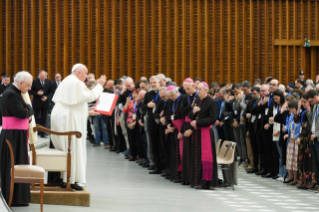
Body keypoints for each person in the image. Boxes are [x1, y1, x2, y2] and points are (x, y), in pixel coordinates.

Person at [50, 63, 106, 191]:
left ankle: (67, 178)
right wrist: (100, 85)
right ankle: (70, 179)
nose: (86, 76)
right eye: (86, 73)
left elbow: (72, 104)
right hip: (68, 120)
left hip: (65, 117)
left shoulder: (68, 80)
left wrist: (86, 111)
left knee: (68, 149)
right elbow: (90, 96)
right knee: (72, 148)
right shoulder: (76, 82)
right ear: (79, 72)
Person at [0, 71, 34, 206]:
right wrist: (29, 105)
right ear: (21, 83)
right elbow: (22, 113)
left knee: (19, 165)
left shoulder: (14, 92)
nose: (30, 88)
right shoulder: (11, 94)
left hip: (16, 134)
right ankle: (12, 197)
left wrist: (27, 111)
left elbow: (25, 114)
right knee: (12, 165)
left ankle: (19, 197)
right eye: (29, 85)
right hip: (12, 136)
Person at [188, 82, 218, 189]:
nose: (198, 91)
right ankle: (196, 180)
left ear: (206, 90)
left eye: (200, 89)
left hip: (205, 132)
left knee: (204, 157)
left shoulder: (212, 102)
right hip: (197, 133)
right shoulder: (197, 100)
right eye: (197, 89)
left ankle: (205, 182)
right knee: (196, 156)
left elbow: (212, 118)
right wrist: (193, 112)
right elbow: (190, 115)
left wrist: (198, 123)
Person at [29, 70, 53, 138]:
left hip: (45, 103)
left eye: (43, 77)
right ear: (38, 76)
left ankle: (43, 133)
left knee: (44, 118)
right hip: (36, 102)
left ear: (46, 76)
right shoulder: (34, 81)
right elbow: (30, 91)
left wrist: (47, 97)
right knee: (35, 117)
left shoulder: (49, 81)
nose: (42, 78)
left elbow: (52, 92)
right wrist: (37, 93)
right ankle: (35, 132)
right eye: (41, 77)